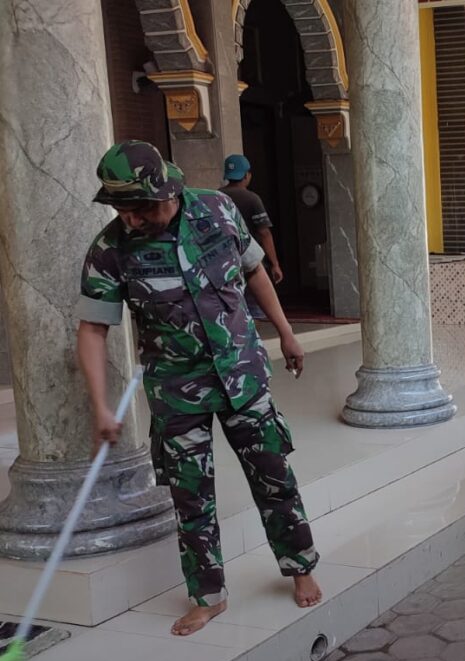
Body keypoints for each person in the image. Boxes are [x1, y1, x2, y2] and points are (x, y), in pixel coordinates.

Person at [77, 141, 321, 635]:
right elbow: (92, 329)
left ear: (166, 191)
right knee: (191, 498)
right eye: (122, 210)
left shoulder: (219, 208)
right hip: (176, 392)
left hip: (242, 374)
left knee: (274, 476)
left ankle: (301, 567)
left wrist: (286, 331)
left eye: (139, 209)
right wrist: (102, 406)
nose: (130, 220)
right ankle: (207, 595)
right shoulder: (110, 250)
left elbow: (254, 272)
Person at [220, 154, 283, 319]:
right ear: (247, 175)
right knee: (255, 311)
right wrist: (275, 264)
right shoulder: (252, 199)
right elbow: (264, 233)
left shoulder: (216, 198)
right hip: (250, 263)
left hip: (223, 262)